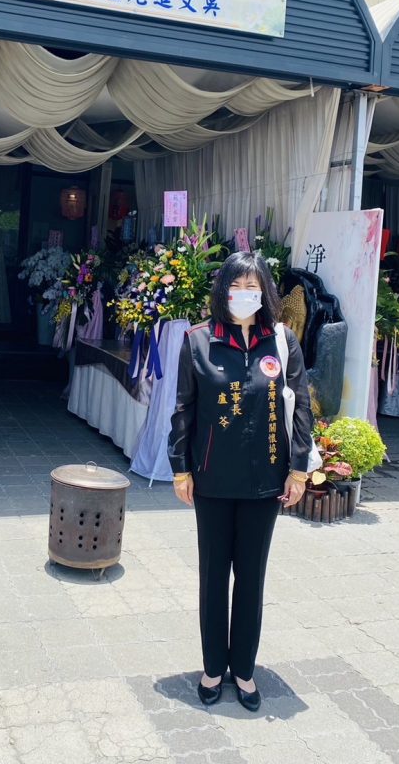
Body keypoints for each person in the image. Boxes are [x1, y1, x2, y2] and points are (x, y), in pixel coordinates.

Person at [168, 250, 315, 712]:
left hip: (264, 483)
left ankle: (245, 670)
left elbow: (302, 406)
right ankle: (214, 668)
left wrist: (297, 469)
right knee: (214, 577)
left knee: (251, 579)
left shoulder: (282, 341)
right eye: (236, 286)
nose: (244, 295)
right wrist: (180, 467)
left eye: (253, 287)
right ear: (223, 291)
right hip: (211, 481)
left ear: (266, 292)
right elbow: (183, 409)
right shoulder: (198, 341)